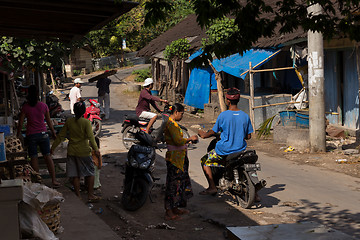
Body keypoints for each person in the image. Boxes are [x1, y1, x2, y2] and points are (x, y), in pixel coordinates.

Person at [198, 88, 253, 195]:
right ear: (239, 99)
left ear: (227, 100)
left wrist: (203, 134)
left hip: (224, 150)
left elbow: (213, 131)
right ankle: (255, 194)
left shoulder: (223, 115)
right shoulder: (245, 116)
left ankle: (212, 187)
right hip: (240, 149)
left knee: (204, 161)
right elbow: (248, 136)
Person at [51, 101, 101, 202]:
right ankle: (90, 195)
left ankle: (78, 195)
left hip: (72, 151)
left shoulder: (69, 121)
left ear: (74, 110)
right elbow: (91, 138)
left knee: (75, 174)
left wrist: (53, 148)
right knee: (90, 173)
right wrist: (96, 150)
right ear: (83, 111)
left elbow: (61, 136)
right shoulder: (86, 122)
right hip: (84, 151)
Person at [17, 85, 60, 187]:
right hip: (43, 134)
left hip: (31, 135)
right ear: (37, 94)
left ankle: (38, 181)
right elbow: (49, 121)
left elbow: (20, 122)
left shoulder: (25, 107)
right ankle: (54, 180)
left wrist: (18, 134)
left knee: (34, 158)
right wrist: (53, 132)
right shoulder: (43, 106)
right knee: (47, 156)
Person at [164, 103, 198, 220]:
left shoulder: (174, 124)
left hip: (179, 158)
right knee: (172, 185)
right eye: (182, 114)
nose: (182, 116)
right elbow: (178, 141)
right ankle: (169, 211)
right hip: (174, 160)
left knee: (178, 185)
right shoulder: (171, 125)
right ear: (176, 112)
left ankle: (175, 208)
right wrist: (189, 139)